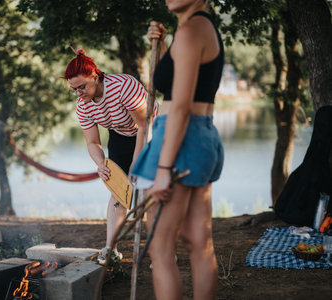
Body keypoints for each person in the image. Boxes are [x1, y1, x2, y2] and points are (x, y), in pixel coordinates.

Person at [130, 0, 224, 299]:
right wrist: (162, 44)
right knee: (199, 242)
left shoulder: (191, 31)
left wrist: (163, 169)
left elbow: (180, 107)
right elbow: (178, 85)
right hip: (202, 136)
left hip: (179, 138)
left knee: (161, 248)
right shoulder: (199, 27)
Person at [63, 49, 159, 265]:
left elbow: (145, 125)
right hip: (121, 134)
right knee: (119, 190)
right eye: (74, 89)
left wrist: (137, 161)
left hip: (152, 130)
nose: (79, 93)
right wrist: (101, 164)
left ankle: (159, 252)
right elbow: (92, 142)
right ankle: (111, 249)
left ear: (95, 77)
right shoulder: (83, 106)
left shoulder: (123, 86)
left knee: (149, 194)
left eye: (82, 87)